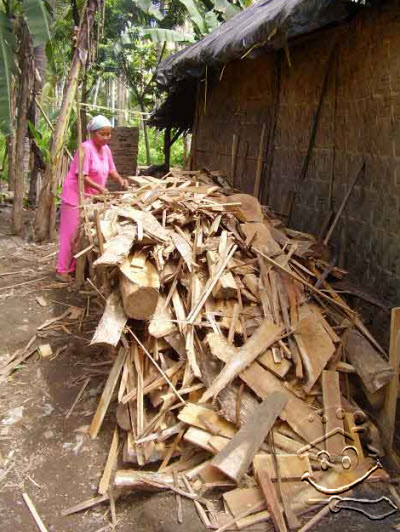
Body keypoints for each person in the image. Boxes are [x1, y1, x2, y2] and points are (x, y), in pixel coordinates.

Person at [56, 115, 128, 282]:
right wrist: (101, 188)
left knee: (84, 233)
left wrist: (121, 180)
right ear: (92, 133)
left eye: (109, 134)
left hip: (91, 197)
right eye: (102, 134)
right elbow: (83, 176)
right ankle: (62, 270)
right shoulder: (85, 148)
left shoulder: (106, 149)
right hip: (75, 196)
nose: (106, 137)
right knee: (71, 234)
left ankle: (75, 268)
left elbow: (111, 170)